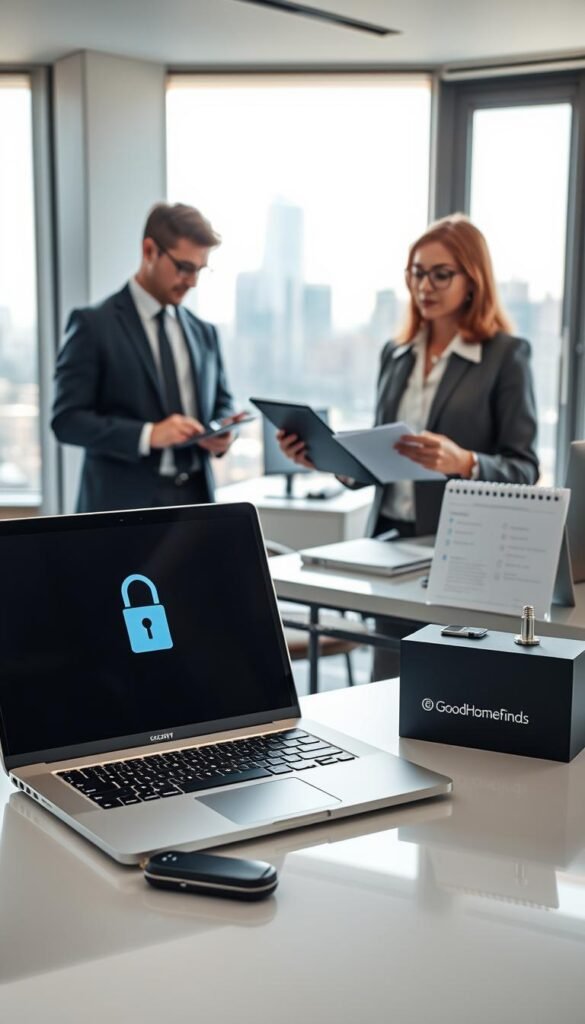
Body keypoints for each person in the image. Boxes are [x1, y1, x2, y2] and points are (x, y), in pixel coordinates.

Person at [278, 214, 539, 677]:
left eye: (441, 274)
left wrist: (466, 462)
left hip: (461, 550)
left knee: (453, 687)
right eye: (417, 273)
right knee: (388, 682)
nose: (426, 285)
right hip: (390, 546)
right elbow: (382, 459)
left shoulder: (505, 355)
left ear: (473, 279)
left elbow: (524, 467)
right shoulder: (395, 355)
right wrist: (327, 460)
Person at [52, 202, 244, 512]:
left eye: (200, 269)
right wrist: (148, 435)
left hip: (197, 503)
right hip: (120, 509)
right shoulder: (93, 325)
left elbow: (222, 401)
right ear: (149, 250)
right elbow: (67, 421)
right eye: (184, 267)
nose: (193, 281)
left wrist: (221, 434)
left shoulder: (205, 332)